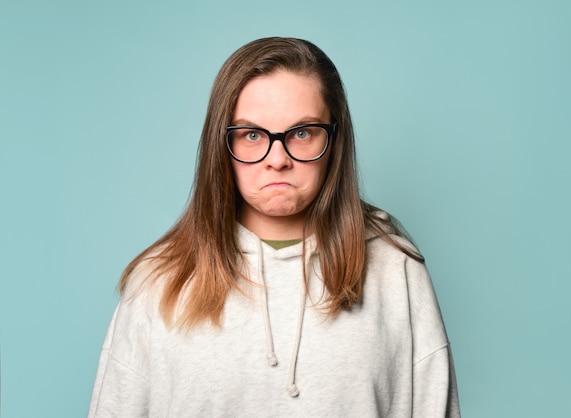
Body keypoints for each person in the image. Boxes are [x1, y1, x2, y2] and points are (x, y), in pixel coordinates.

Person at [88, 37, 460, 417]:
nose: (277, 160)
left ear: (335, 139)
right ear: (222, 144)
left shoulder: (397, 272)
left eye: (302, 133)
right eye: (252, 135)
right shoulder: (158, 281)